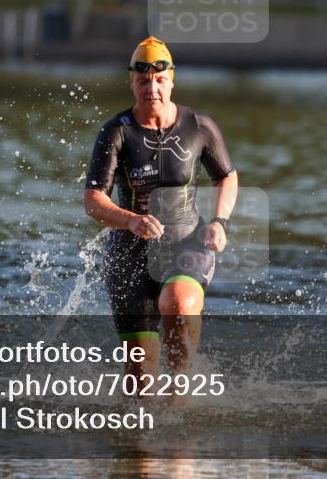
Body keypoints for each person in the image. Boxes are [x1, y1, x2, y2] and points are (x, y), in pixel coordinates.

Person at [84, 36, 238, 388]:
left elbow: (226, 177)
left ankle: (180, 393)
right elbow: (93, 200)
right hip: (129, 256)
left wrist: (220, 221)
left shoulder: (198, 126)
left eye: (159, 80)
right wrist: (131, 220)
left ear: (172, 79)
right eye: (142, 81)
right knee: (139, 384)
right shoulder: (116, 132)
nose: (151, 88)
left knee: (179, 303)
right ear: (131, 82)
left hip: (186, 243)